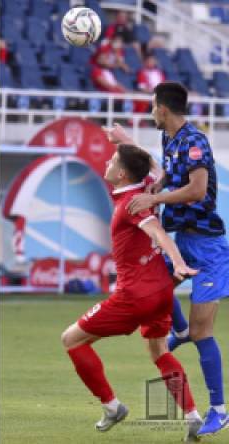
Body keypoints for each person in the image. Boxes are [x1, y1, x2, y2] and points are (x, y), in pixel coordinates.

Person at [108, 81, 229, 436]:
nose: (150, 112)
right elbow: (163, 172)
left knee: (203, 331)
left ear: (162, 108)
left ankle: (219, 410)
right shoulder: (170, 139)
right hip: (185, 240)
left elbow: (197, 190)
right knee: (155, 281)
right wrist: (131, 148)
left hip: (208, 249)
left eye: (151, 106)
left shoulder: (195, 141)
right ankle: (180, 330)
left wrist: (154, 199)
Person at [59, 144, 201, 441]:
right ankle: (192, 416)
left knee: (71, 340)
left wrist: (177, 262)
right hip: (161, 291)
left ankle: (112, 406)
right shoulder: (148, 186)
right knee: (159, 351)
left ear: (122, 173)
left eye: (112, 160)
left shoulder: (130, 204)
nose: (107, 163)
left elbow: (157, 231)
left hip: (134, 297)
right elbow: (153, 166)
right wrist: (124, 139)